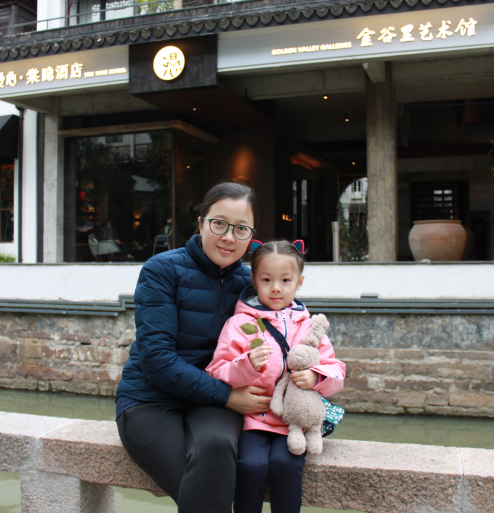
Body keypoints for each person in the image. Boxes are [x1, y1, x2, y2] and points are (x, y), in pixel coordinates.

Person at [115, 182, 272, 513]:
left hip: (211, 401)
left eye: (241, 228)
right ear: (201, 224)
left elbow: (284, 335)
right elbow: (157, 360)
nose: (228, 237)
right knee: (202, 488)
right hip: (150, 399)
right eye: (219, 224)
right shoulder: (162, 270)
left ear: (251, 236)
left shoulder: (250, 285)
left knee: (217, 447)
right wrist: (228, 396)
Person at [206, 240, 346, 513]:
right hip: (252, 420)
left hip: (293, 421)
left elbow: (336, 370)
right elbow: (216, 371)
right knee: (251, 465)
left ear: (299, 282)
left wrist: (316, 377)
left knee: (287, 464)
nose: (276, 288)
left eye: (285, 280)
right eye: (267, 279)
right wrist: (246, 365)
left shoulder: (310, 327)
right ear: (254, 280)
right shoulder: (239, 324)